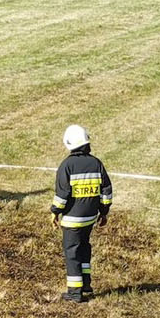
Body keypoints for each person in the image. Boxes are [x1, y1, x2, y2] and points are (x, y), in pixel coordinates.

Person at [50, 124, 112, 302]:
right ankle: (86, 283)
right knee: (84, 248)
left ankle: (75, 292)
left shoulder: (66, 166)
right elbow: (106, 190)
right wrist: (104, 211)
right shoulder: (96, 163)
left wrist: (55, 212)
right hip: (90, 219)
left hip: (72, 220)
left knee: (72, 253)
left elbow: (62, 195)